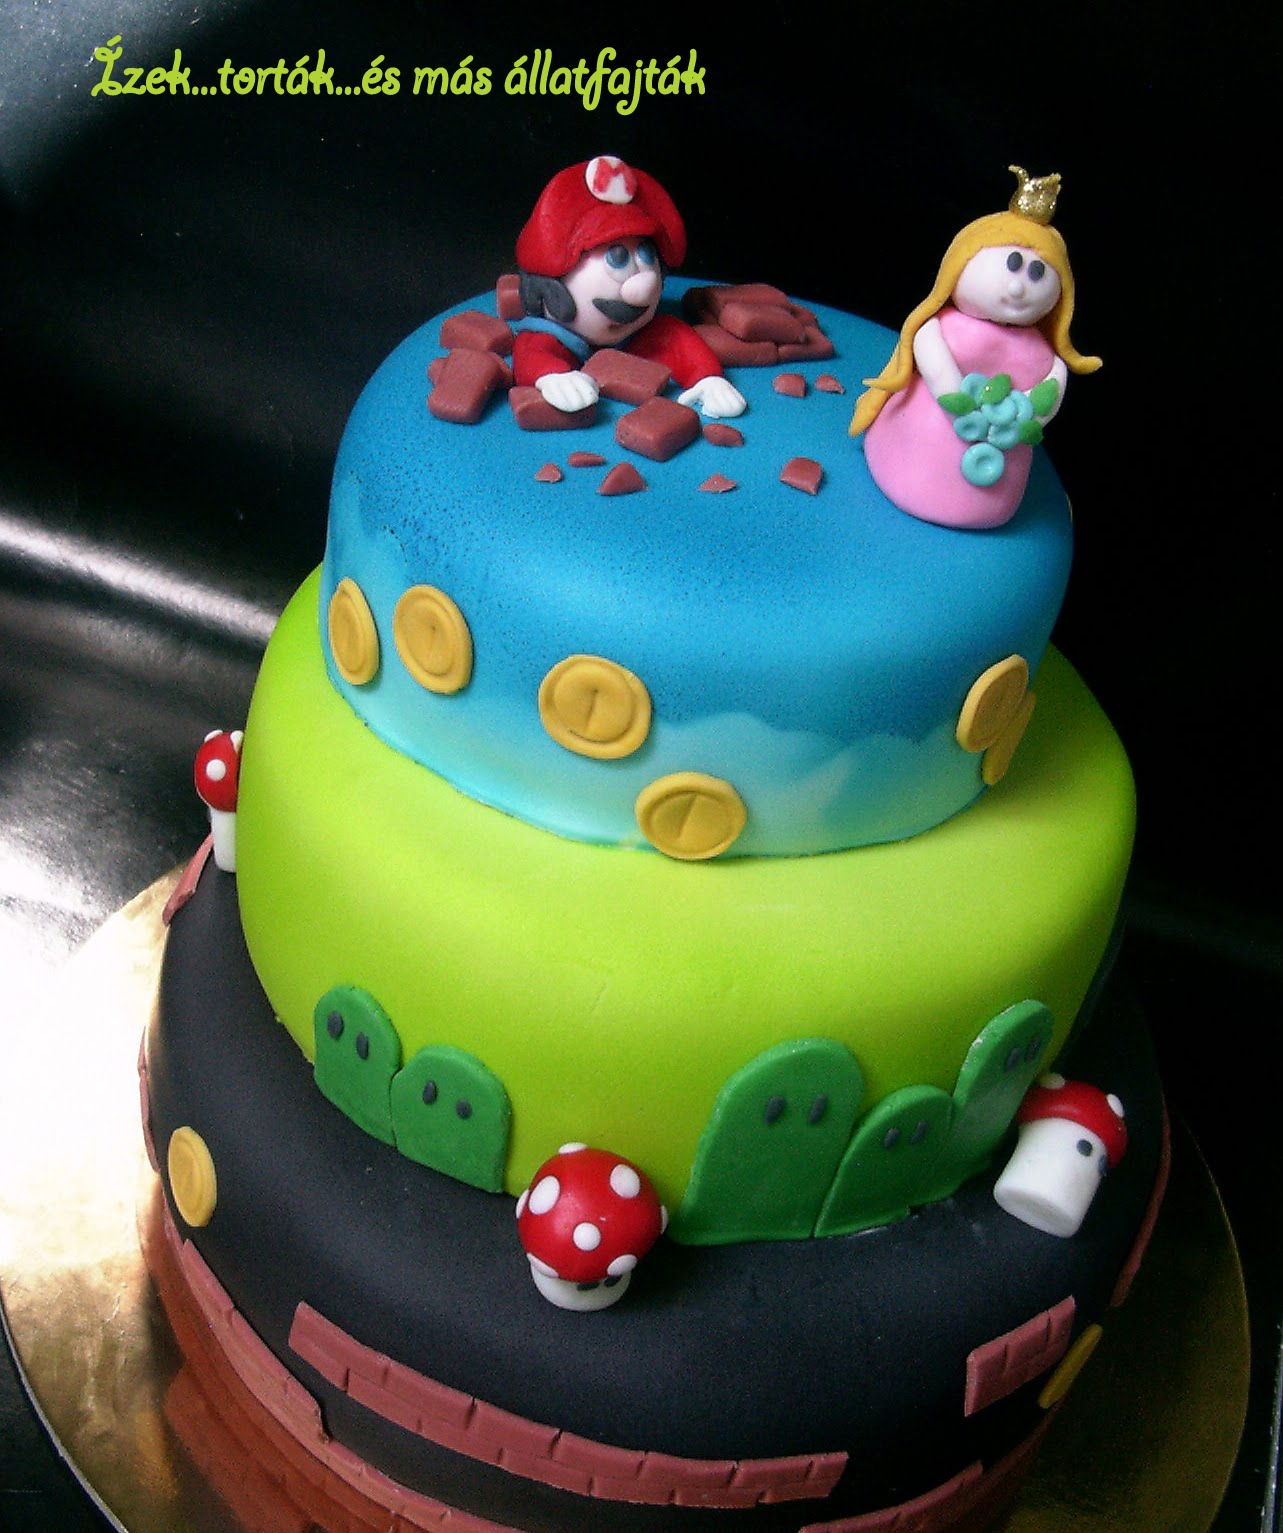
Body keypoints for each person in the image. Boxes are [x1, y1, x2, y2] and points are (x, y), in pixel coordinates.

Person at [850, 167, 1100, 528]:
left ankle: (977, 506)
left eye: (1036, 273)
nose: (1018, 289)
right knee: (922, 455)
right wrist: (959, 406)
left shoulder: (1045, 356)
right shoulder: (937, 329)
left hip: (1001, 460)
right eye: (1012, 265)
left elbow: (1049, 393)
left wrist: (1021, 419)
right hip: (921, 443)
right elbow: (937, 369)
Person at [513, 155, 745, 419]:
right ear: (549, 286)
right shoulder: (543, 337)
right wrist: (549, 375)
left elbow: (678, 344)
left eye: (647, 255)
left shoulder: (650, 330)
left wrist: (708, 379)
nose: (645, 285)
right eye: (618, 258)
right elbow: (532, 352)